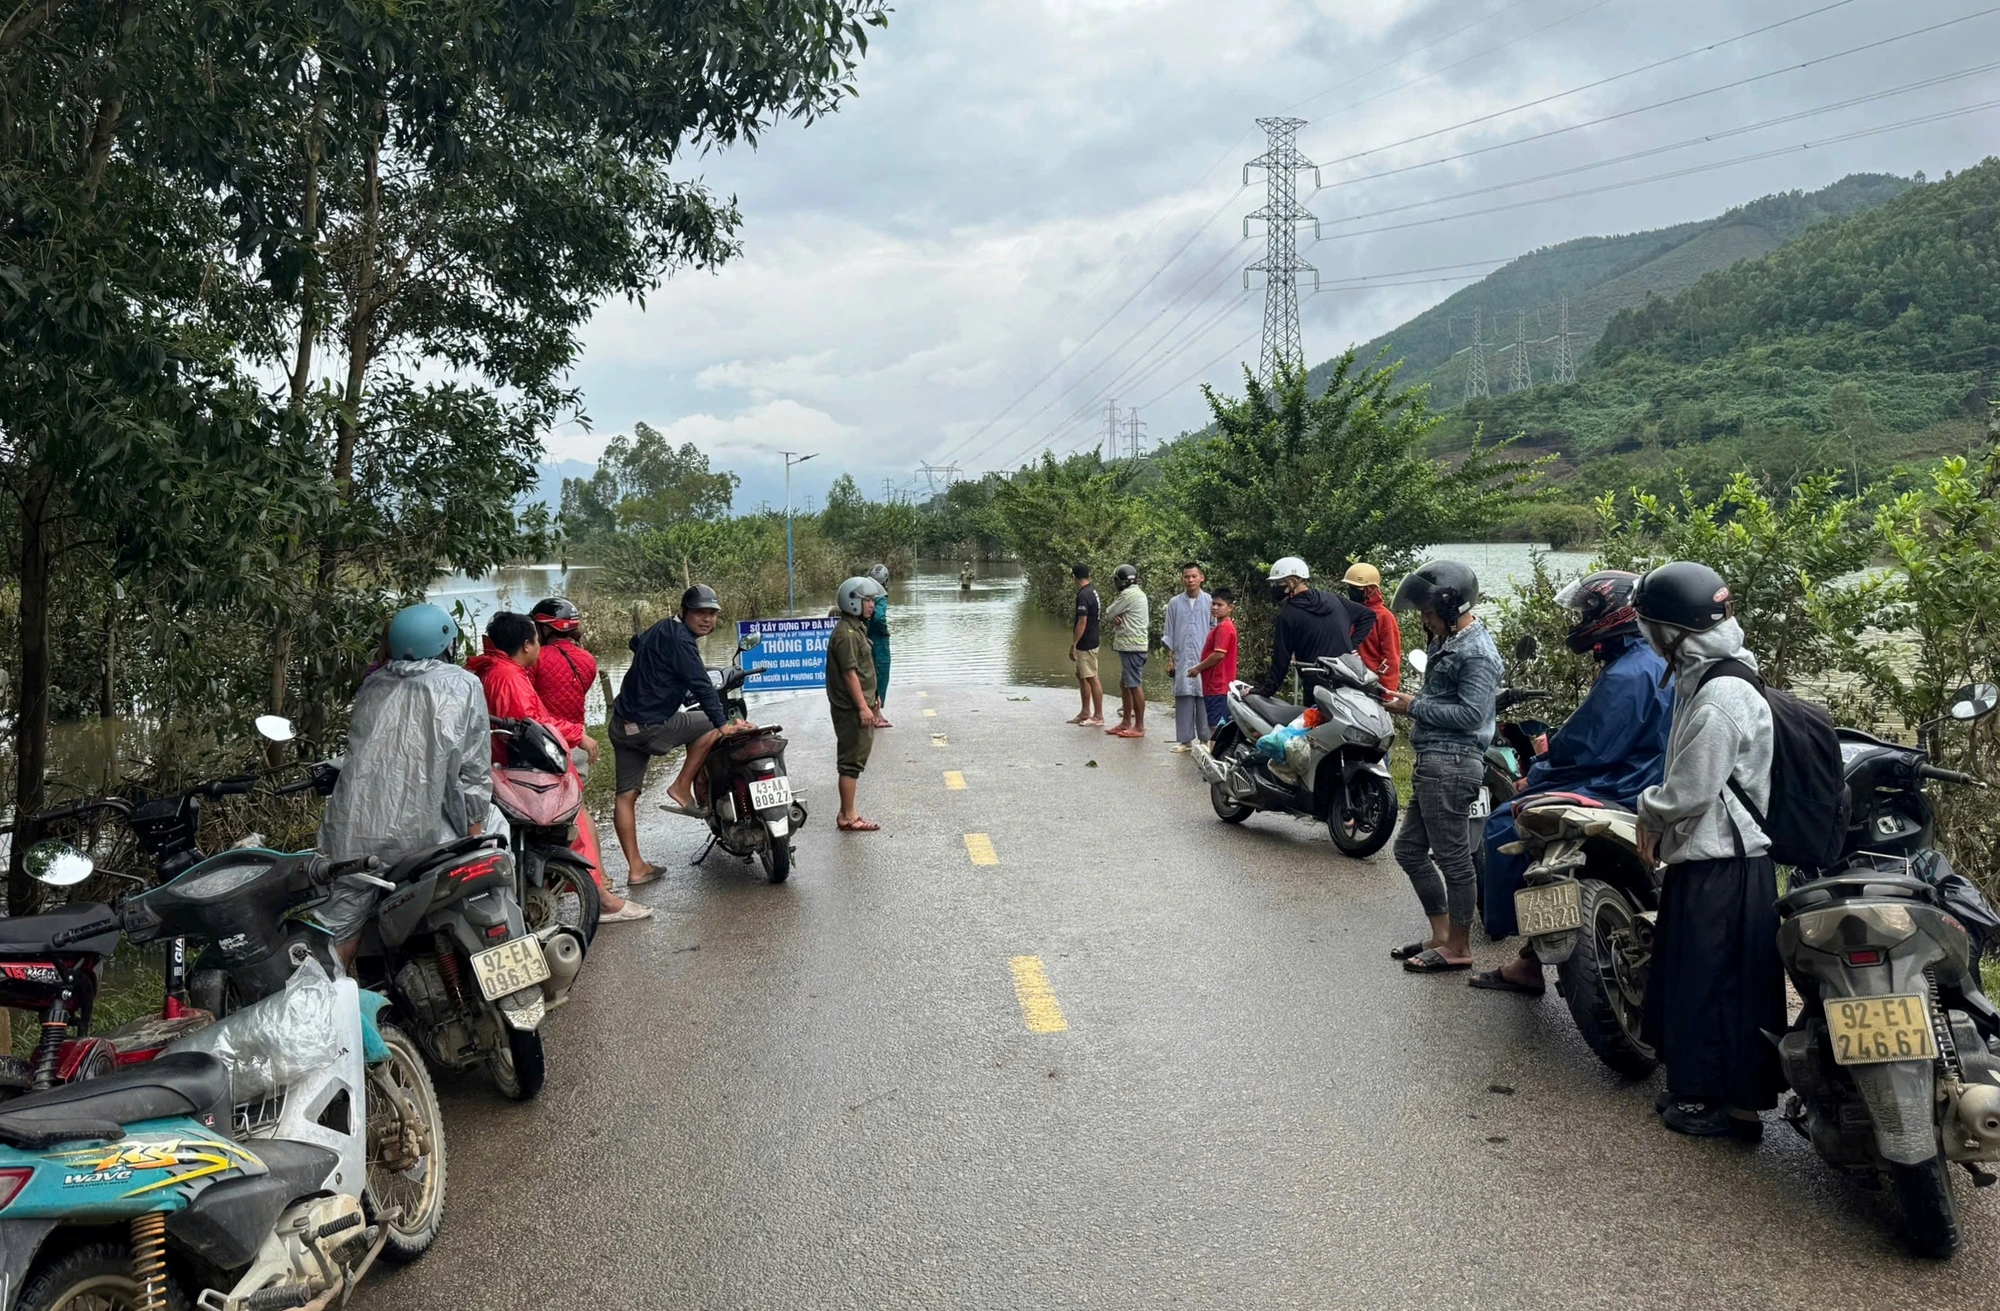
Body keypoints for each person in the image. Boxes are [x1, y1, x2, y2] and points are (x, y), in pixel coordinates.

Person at [1632, 561, 1782, 1141]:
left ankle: (1730, 1110)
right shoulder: (1713, 672)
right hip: (1717, 858)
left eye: (1650, 627)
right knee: (1708, 979)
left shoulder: (1720, 693)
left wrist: (1650, 811)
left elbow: (1692, 787)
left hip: (1725, 863)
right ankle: (1707, 1094)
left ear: (1674, 630)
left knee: (1719, 986)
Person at [1468, 570, 1671, 994]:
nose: (1579, 621)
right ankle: (1530, 960)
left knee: (1507, 822)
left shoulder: (1626, 675)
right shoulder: (1657, 661)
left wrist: (1536, 773)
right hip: (1651, 778)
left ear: (1614, 614)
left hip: (1617, 783)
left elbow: (1588, 747)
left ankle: (1506, 925)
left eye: (1586, 612)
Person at [317, 603, 491, 967]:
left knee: (340, 931)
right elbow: (473, 771)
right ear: (448, 645)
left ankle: (340, 1003)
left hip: (353, 835)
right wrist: (476, 832)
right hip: (424, 837)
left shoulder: (373, 686)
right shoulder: (463, 684)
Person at [471, 612, 650, 924]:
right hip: (524, 770)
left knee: (580, 817)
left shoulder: (493, 671)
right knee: (573, 819)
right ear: (527, 645)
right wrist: (578, 735)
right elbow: (531, 725)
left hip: (506, 767)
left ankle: (594, 888)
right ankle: (600, 897)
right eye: (536, 641)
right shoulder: (510, 678)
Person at [1383, 561, 1501, 974]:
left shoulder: (1476, 653)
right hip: (1434, 760)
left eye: (1429, 613)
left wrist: (1412, 705)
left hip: (1452, 764)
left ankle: (1460, 947)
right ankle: (1441, 935)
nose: (1424, 620)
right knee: (1409, 850)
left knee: (1453, 859)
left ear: (1451, 608)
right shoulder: (1448, 641)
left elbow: (1471, 714)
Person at [610, 584, 756, 886]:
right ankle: (681, 786)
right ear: (684, 611)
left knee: (626, 795)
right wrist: (723, 724)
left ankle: (637, 868)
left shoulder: (663, 628)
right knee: (706, 724)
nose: (707, 619)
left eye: (712, 614)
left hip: (623, 723)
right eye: (700, 612)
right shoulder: (682, 642)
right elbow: (703, 685)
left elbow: (636, 642)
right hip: (651, 725)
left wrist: (659, 670)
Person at [1258, 557, 1376, 700]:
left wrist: (1266, 691)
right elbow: (1368, 615)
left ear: (1292, 582)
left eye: (1277, 583)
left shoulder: (1288, 614)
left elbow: (1280, 660)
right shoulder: (1332, 599)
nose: (1274, 587)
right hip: (1345, 679)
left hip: (1315, 684)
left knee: (1315, 721)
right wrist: (1350, 646)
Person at [829, 576, 888, 832]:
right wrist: (863, 707)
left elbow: (863, 669)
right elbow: (850, 673)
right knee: (850, 763)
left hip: (860, 705)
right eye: (868, 601)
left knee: (854, 760)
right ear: (852, 601)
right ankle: (849, 817)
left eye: (873, 600)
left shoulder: (857, 629)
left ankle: (846, 812)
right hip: (851, 710)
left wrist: (872, 697)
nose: (872, 605)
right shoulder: (846, 634)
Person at [1160, 562, 1214, 753]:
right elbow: (1170, 632)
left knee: (1203, 696)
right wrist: (1170, 659)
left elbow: (1215, 629)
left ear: (1201, 578)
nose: (1190, 580)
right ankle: (1185, 740)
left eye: (1193, 576)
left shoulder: (1210, 602)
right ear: (1182, 579)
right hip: (1182, 656)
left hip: (1204, 657)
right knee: (1183, 696)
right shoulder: (1174, 603)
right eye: (1186, 576)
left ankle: (1205, 740)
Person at [1104, 564, 1150, 739]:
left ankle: (1139, 726)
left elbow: (1109, 613)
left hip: (1132, 647)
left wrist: (1116, 613)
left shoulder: (1127, 594)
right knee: (1124, 684)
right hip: (1135, 646)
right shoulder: (1138, 593)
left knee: (1133, 685)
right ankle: (1125, 721)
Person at [1343, 563, 1402, 693]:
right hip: (1348, 683)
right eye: (1350, 587)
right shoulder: (1348, 612)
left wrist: (1386, 693)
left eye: (1356, 588)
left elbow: (1391, 659)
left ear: (1370, 589)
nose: (1351, 591)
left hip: (1372, 686)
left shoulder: (1384, 617)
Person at [1190, 588, 1238, 734]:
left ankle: (1216, 755)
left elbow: (1219, 655)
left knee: (1216, 726)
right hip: (1216, 684)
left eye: (1220, 605)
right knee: (1216, 724)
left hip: (1218, 684)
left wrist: (1198, 668)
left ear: (1230, 608)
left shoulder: (1224, 627)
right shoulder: (1222, 626)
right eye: (1213, 604)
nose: (1215, 608)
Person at [1068, 564, 1104, 727]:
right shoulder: (1093, 591)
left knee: (1091, 677)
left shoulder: (1084, 595)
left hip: (1086, 642)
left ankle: (1098, 716)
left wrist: (1074, 644)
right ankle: (1085, 711)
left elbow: (1082, 621)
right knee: (1081, 675)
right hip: (1091, 639)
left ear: (1074, 576)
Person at [867, 563, 893, 727]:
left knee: (869, 676)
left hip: (865, 639)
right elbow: (879, 618)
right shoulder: (880, 597)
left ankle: (875, 712)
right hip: (879, 642)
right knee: (881, 676)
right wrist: (884, 631)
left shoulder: (864, 596)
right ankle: (876, 714)